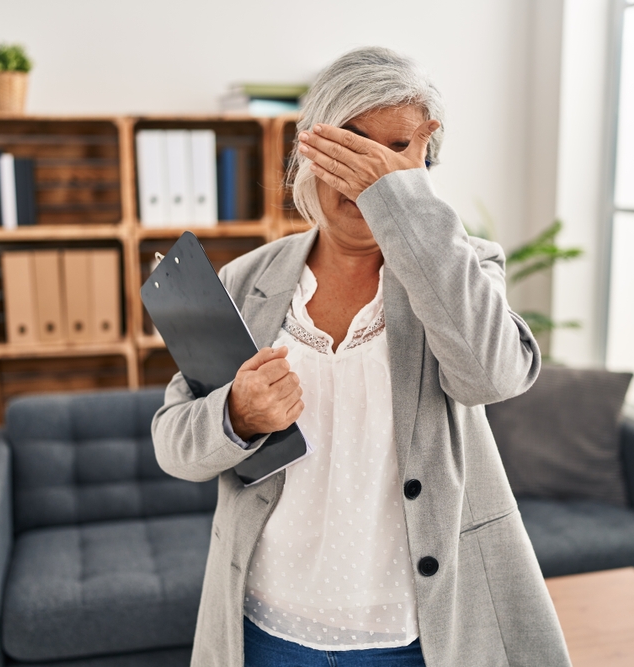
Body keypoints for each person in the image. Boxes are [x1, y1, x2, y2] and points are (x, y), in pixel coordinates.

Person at [152, 46, 572, 667]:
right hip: (264, 627)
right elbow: (173, 444)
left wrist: (405, 206)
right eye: (350, 144)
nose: (366, 174)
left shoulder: (466, 268)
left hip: (415, 634)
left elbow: (490, 377)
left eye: (395, 152)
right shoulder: (246, 281)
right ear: (309, 149)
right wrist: (235, 415)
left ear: (424, 167)